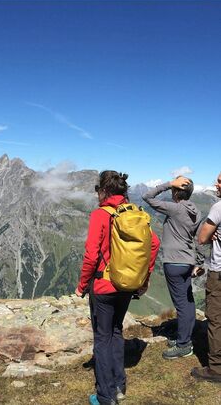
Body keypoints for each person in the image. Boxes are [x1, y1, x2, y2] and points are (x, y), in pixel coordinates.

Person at [76, 170, 160, 405]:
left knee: (102, 338)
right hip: (128, 285)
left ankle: (105, 396)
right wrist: (144, 278)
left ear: (103, 191)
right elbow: (154, 244)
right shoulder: (135, 214)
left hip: (103, 287)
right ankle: (119, 386)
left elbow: (91, 256)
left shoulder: (100, 215)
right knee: (116, 332)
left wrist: (82, 285)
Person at [142, 176, 204, 360]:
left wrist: (169, 183)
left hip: (174, 262)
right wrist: (199, 262)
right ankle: (185, 336)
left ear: (176, 191)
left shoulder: (175, 208)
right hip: (187, 262)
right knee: (188, 301)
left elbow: (147, 196)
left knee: (181, 305)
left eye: (173, 189)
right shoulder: (197, 211)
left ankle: (184, 345)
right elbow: (200, 239)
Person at [191, 172, 221, 383]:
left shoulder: (218, 207)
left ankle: (216, 368)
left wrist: (212, 234)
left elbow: (202, 238)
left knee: (216, 319)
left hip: (219, 273)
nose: (216, 183)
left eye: (220, 180)